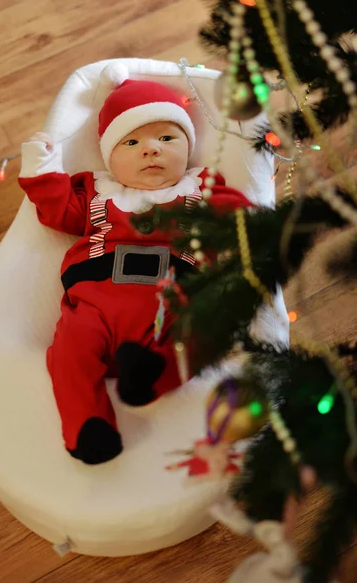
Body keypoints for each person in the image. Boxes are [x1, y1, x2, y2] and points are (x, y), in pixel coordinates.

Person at [19, 71, 251, 465]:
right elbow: (57, 211)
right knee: (69, 354)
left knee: (198, 336)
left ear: (188, 147)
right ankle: (87, 427)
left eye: (166, 138)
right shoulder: (96, 190)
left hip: (175, 293)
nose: (151, 150)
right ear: (109, 155)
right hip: (95, 298)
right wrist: (43, 167)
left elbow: (242, 221)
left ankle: (148, 377)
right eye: (132, 141)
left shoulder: (202, 187)